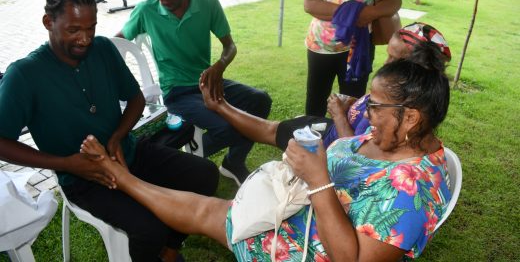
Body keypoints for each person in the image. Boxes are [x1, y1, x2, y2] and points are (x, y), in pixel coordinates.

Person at [80, 52, 453, 261]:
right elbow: (273, 131)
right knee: (205, 209)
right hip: (294, 218)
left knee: (204, 212)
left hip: (302, 248)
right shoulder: (392, 138)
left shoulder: (412, 194)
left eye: (374, 106)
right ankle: (124, 178)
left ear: (411, 117)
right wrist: (221, 106)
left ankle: (121, 178)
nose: (365, 111)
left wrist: (318, 179)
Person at [0, 0, 220, 262]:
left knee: (204, 174)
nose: (85, 38)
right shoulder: (25, 75)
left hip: (128, 153)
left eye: (91, 28)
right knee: (148, 228)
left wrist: (117, 137)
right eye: (74, 29)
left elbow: (136, 99)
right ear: (48, 22)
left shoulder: (102, 49)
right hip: (84, 178)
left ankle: (168, 252)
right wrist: (65, 164)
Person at [116, 0, 272, 185]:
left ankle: (232, 162)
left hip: (207, 83)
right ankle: (184, 159)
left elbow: (230, 46)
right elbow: (118, 42)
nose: (162, 1)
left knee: (260, 100)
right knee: (230, 126)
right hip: (176, 92)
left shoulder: (207, 3)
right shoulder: (146, 11)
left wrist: (219, 66)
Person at [201, 22, 451, 152]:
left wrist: (340, 114)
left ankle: (219, 106)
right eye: (388, 56)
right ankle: (221, 108)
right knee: (281, 127)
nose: (386, 64)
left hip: (331, 144)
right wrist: (354, 103)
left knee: (271, 130)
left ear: (417, 71)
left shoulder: (397, 118)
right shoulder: (405, 98)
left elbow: (355, 152)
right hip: (330, 130)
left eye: (396, 60)